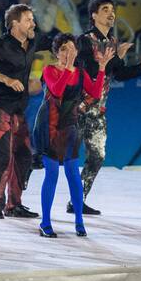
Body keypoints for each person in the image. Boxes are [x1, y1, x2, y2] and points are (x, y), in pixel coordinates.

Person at [75, 0, 141, 214]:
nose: (111, 13)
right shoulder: (85, 40)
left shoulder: (113, 43)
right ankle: (26, 175)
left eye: (113, 10)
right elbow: (90, 69)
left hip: (99, 110)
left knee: (97, 156)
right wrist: (115, 58)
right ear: (94, 15)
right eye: (105, 9)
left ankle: (77, 200)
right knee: (60, 154)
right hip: (78, 107)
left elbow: (120, 74)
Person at [34, 33, 111, 239]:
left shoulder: (80, 72)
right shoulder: (49, 70)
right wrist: (67, 69)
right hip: (49, 125)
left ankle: (79, 220)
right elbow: (57, 90)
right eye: (64, 49)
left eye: (72, 48)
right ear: (57, 53)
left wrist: (102, 69)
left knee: (73, 174)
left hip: (70, 126)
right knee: (52, 173)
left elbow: (95, 93)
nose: (69, 53)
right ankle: (45, 222)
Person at [0, 4, 41, 220]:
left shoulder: (32, 42)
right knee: (1, 157)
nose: (33, 23)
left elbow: (60, 45)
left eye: (33, 19)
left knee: (23, 156)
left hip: (19, 108)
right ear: (15, 24)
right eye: (29, 20)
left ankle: (14, 205)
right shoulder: (1, 45)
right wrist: (7, 79)